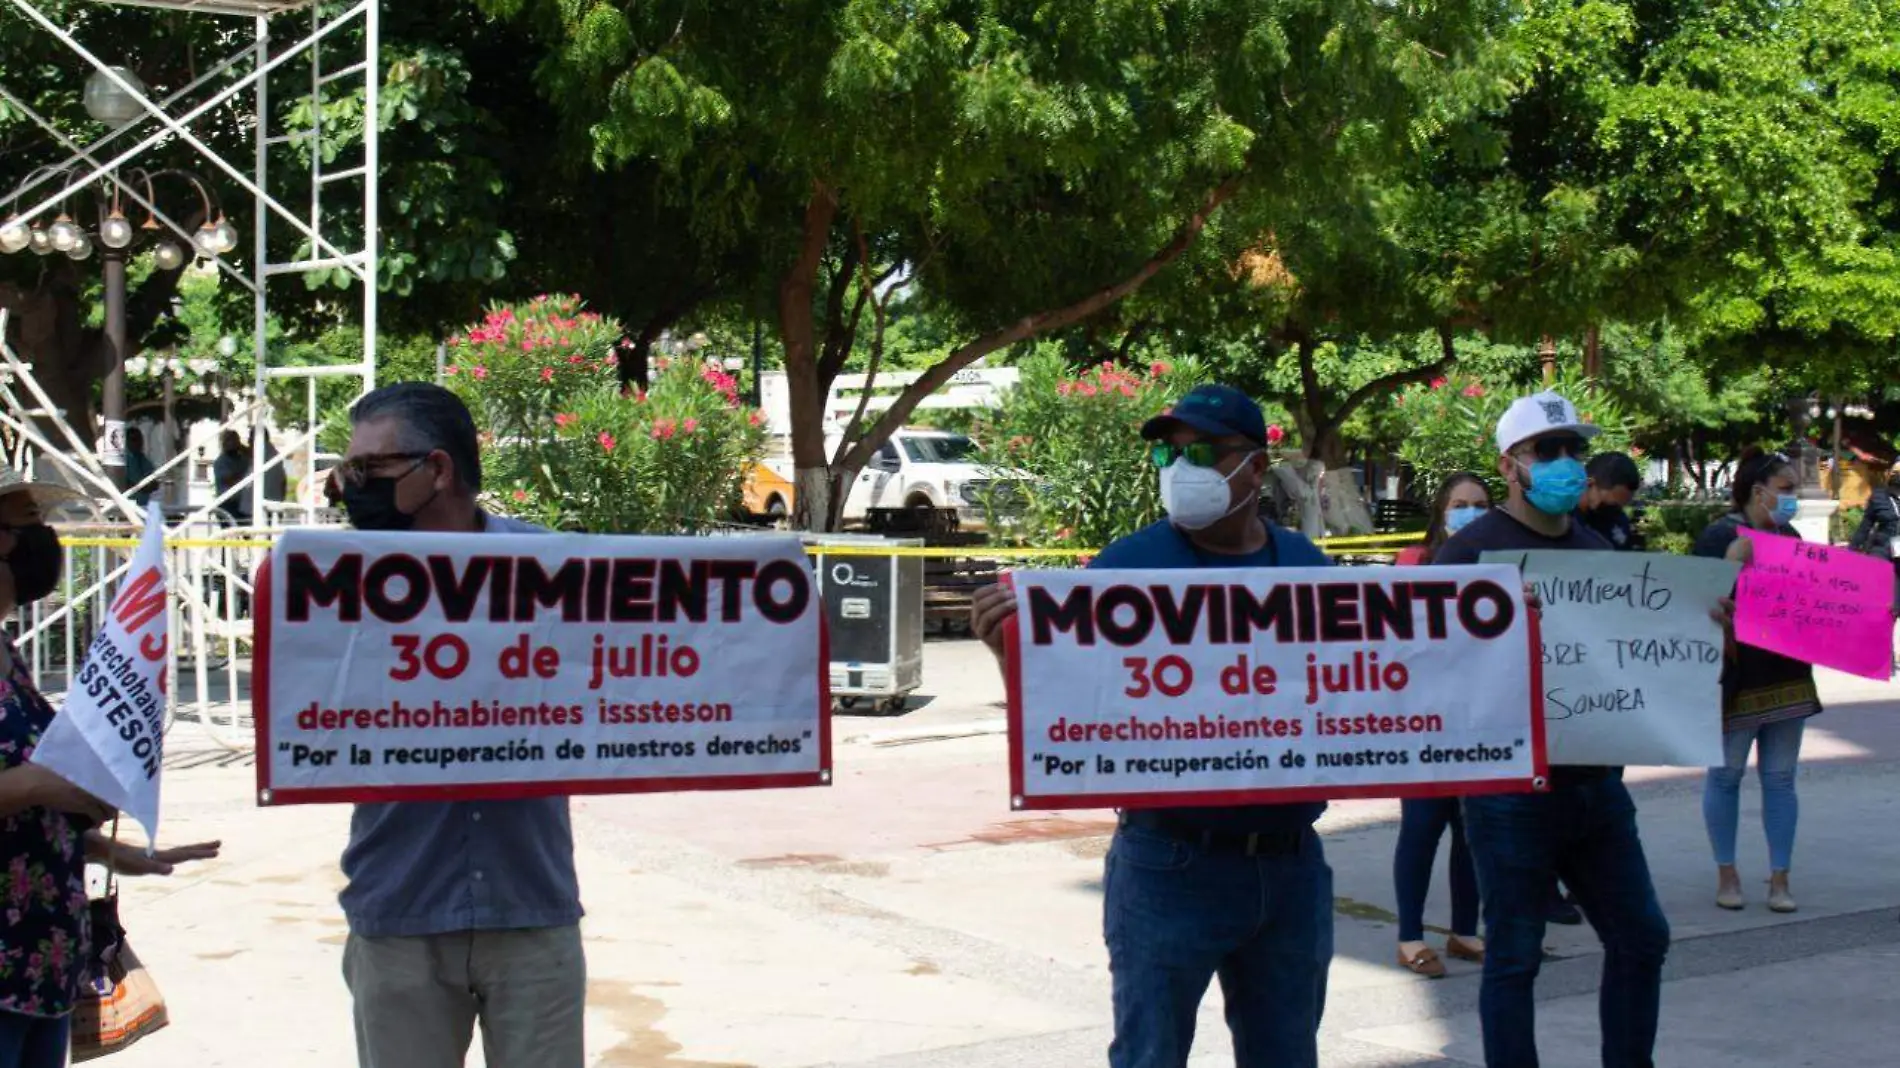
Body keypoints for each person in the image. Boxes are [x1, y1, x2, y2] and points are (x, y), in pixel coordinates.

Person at [970, 384, 1334, 1068]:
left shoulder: (1309, 570)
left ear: (1255, 468)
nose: (1180, 468)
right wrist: (1003, 650)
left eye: (1202, 452)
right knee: (1150, 1056)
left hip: (1291, 867)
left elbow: (1368, 688)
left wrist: (1490, 626)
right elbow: (1074, 709)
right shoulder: (1124, 569)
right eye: (1170, 453)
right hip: (1168, 863)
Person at [324, 383, 585, 1068]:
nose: (353, 489)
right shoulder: (329, 584)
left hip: (529, 904)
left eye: (370, 471)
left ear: (436, 470)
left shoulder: (553, 569)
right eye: (346, 473)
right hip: (400, 905)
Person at [1434, 391, 1673, 1068]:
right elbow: (1430, 668)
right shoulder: (1468, 554)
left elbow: (1632, 656)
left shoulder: (1596, 549)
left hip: (1596, 785)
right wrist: (1494, 623)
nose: (1568, 462)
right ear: (1511, 465)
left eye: (1575, 450)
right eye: (1550, 450)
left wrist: (1695, 631)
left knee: (1642, 937)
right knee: (1512, 956)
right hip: (1509, 793)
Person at [0, 467, 220, 1067]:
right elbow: (29, 784)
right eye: (19, 525)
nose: (32, 542)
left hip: (41, 960)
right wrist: (46, 784)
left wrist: (110, 849)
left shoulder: (6, 651)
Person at [1693, 448, 1820, 914]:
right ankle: (1727, 874)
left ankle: (1780, 879)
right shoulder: (1717, 537)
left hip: (1788, 674)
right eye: (1785, 489)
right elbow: (1697, 603)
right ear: (1757, 491)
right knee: (1725, 775)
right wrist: (1732, 560)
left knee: (1781, 778)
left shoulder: (1791, 536)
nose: (1791, 499)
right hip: (1734, 677)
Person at [1392, 473, 1489, 976]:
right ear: (1441, 511)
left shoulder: (1500, 565)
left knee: (1470, 832)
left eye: (1478, 504)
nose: (1469, 513)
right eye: (1459, 504)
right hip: (1425, 721)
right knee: (1422, 827)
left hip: (1478, 720)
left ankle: (1464, 932)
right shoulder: (1417, 562)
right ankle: (1409, 936)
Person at [1579, 452, 1643, 551]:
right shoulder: (1562, 522)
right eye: (1610, 506)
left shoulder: (1618, 522)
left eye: (1620, 507)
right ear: (1590, 483)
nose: (1615, 512)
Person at [212, 429, 252, 523]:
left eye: (235, 440)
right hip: (227, 503)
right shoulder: (221, 462)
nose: (233, 443)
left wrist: (243, 448)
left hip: (242, 503)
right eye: (230, 440)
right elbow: (230, 481)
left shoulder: (243, 459)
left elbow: (252, 456)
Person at [122, 427, 157, 508]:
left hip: (144, 504)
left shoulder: (144, 459)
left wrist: (152, 485)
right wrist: (140, 487)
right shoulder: (122, 459)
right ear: (126, 441)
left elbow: (153, 481)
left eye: (140, 439)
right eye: (133, 439)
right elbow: (120, 482)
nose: (138, 442)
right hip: (128, 505)